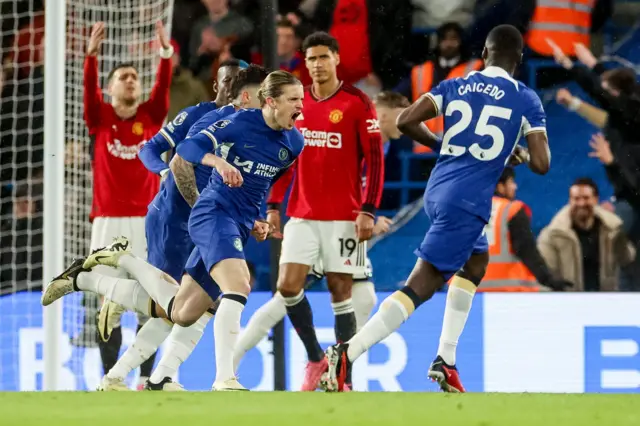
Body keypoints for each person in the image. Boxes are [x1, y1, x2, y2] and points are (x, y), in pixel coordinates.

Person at [42, 70, 305, 392]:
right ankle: (222, 378)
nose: (301, 107)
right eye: (294, 99)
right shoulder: (220, 119)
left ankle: (88, 278)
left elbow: (261, 182)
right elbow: (182, 154)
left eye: (302, 100)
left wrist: (258, 217)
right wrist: (214, 164)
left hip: (228, 219)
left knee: (179, 311)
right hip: (191, 215)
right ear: (264, 99)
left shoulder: (293, 141)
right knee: (237, 285)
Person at [322, 24, 551, 393]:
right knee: (421, 284)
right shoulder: (524, 99)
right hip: (468, 200)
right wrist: (518, 148)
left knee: (476, 263)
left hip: (438, 189)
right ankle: (348, 352)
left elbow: (405, 120)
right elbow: (542, 164)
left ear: (484, 55)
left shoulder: (456, 85)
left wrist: (442, 144)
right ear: (519, 60)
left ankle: (446, 360)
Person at [93, 65, 268, 391]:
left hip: (208, 220)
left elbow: (243, 178)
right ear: (216, 83)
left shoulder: (249, 125)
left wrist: (252, 217)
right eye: (227, 80)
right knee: (171, 305)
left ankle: (156, 375)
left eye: (238, 82)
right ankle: (123, 300)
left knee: (201, 303)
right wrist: (162, 172)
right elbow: (158, 152)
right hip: (174, 218)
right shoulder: (201, 117)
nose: (231, 87)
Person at [235, 32, 385, 392]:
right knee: (287, 287)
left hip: (345, 217)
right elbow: (284, 162)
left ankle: (342, 377)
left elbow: (376, 161)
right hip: (301, 214)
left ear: (336, 58)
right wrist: (273, 206)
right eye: (310, 59)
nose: (316, 65)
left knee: (341, 291)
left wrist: (368, 209)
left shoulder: (357, 102)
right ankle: (317, 358)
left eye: (322, 57)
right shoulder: (297, 105)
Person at [81, 21, 172, 387]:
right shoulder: (99, 118)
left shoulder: (150, 118)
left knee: (150, 301)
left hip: (147, 221)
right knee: (109, 305)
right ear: (111, 87)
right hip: (107, 223)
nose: (131, 80)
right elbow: (88, 92)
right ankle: (110, 377)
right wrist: (91, 56)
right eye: (124, 76)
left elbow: (163, 88)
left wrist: (164, 55)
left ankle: (147, 380)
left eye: (135, 76)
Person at [480, 167, 570, 292]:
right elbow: (526, 250)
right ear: (500, 186)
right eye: (511, 182)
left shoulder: (467, 210)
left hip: (469, 290)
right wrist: (549, 280)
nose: (515, 187)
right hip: (508, 291)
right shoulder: (512, 210)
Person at [537, 177, 635, 292]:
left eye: (586, 198)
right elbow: (546, 276)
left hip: (605, 302)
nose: (581, 203)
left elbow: (627, 259)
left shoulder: (611, 230)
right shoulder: (551, 235)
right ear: (570, 201)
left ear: (596, 200)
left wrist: (619, 234)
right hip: (568, 303)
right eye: (576, 199)